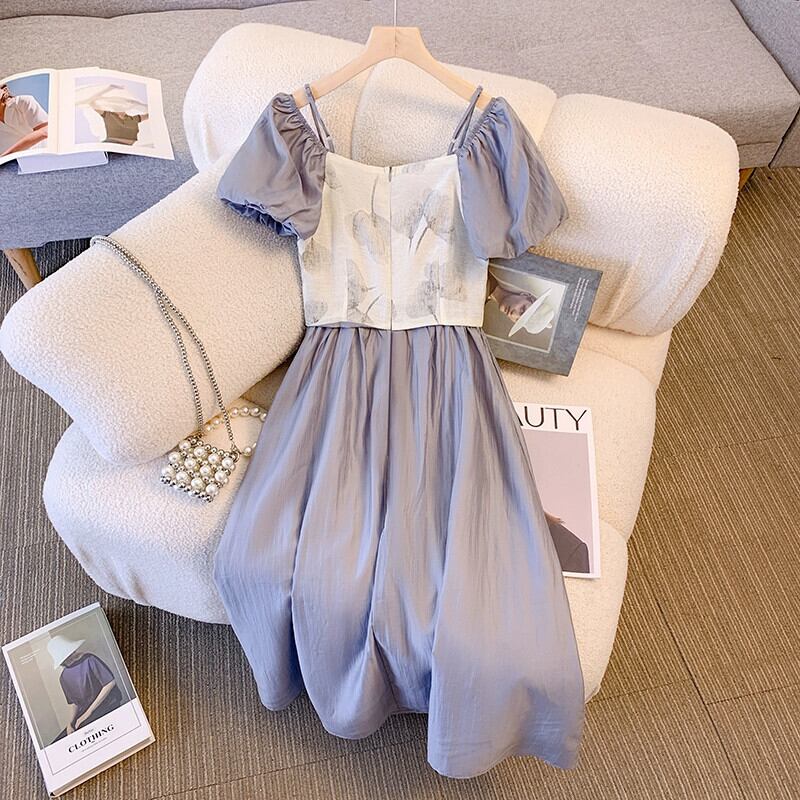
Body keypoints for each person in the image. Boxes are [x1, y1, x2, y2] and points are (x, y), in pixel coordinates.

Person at [47, 635, 123, 743]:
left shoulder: (89, 659)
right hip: (84, 712)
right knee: (61, 740)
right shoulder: (63, 677)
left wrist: (88, 713)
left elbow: (110, 683)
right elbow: (73, 703)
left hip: (106, 703)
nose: (70, 658)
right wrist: (70, 723)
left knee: (81, 733)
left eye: (70, 654)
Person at [0, 84, 49, 157]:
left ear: (4, 90)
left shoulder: (23, 102)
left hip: (44, 156)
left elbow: (45, 130)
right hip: (16, 162)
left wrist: (6, 155)